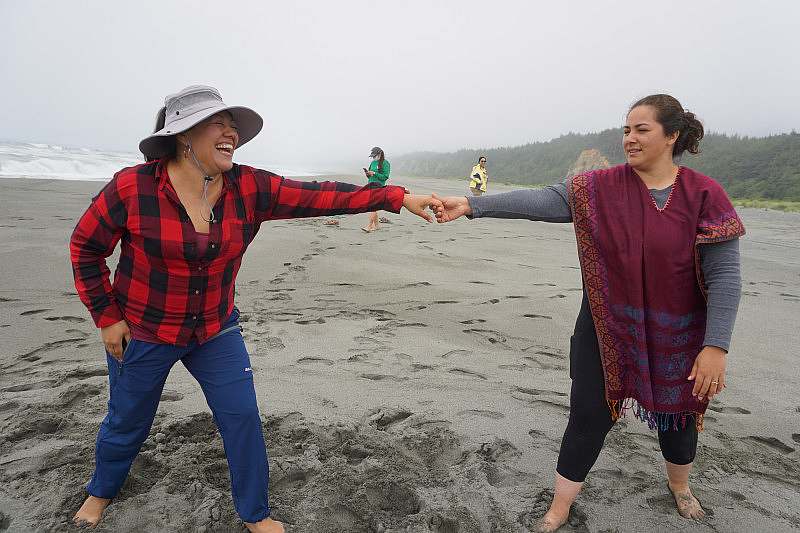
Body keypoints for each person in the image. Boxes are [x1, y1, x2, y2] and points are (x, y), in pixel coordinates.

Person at [69, 85, 441, 531]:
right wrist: (108, 318)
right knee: (127, 418)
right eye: (218, 123)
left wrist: (396, 198)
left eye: (234, 126)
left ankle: (255, 513)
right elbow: (86, 248)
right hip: (145, 328)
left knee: (241, 415)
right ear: (183, 135)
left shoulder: (250, 187)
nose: (231, 133)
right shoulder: (133, 187)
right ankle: (102, 491)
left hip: (214, 328)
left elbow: (321, 195)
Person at [432, 94, 744, 532]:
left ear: (672, 135)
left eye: (642, 130)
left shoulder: (705, 194)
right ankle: (559, 508)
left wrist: (716, 346)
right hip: (606, 328)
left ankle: (681, 487)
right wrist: (473, 205)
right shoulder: (598, 187)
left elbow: (725, 278)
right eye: (626, 130)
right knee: (587, 415)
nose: (629, 139)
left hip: (681, 334)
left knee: (678, 415)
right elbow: (542, 201)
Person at [361, 146, 391, 232]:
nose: (373, 158)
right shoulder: (373, 163)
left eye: (375, 156)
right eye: (372, 156)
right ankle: (377, 226)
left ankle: (369, 226)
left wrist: (374, 173)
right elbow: (370, 176)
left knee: (373, 207)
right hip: (370, 185)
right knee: (373, 206)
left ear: (380, 154)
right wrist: (368, 174)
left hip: (378, 186)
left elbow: (385, 177)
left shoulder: (385, 163)